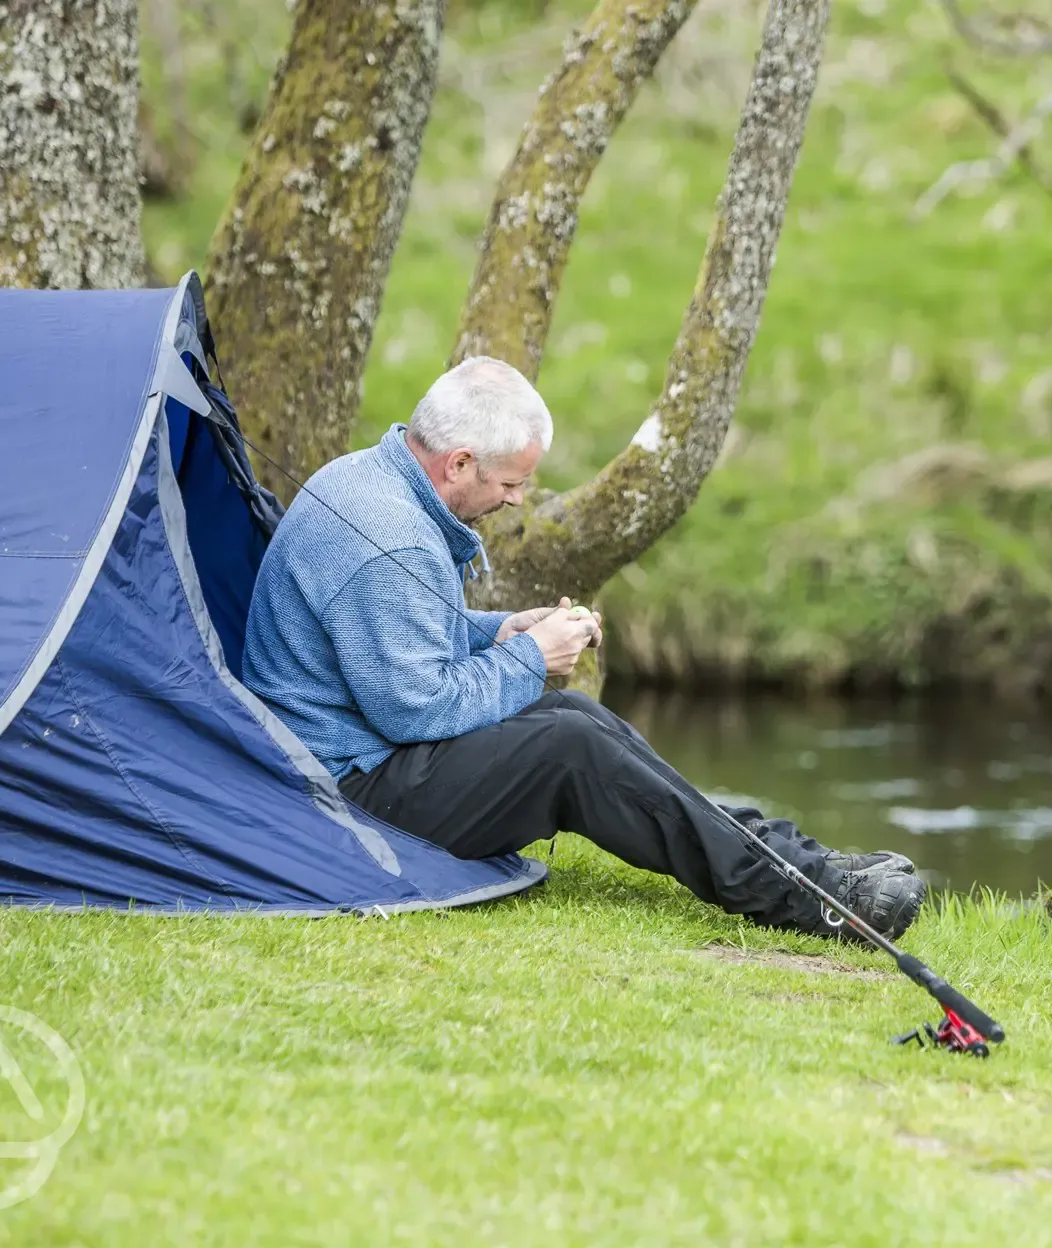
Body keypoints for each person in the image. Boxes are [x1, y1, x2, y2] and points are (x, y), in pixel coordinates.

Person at [241, 356, 927, 940]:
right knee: (570, 748)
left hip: (360, 756)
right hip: (343, 797)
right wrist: (532, 658)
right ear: (458, 462)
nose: (514, 501)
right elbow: (416, 710)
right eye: (509, 484)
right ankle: (812, 900)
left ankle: (798, 863)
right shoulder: (389, 536)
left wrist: (503, 631)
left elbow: (400, 639)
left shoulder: (374, 479)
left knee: (582, 722)